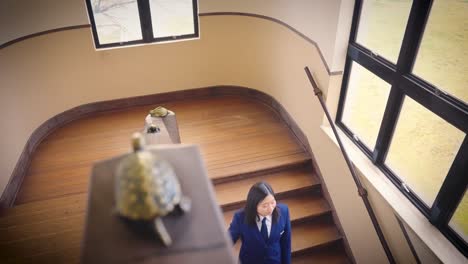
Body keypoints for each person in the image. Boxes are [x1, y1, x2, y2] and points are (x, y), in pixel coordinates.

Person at [228, 182, 291, 264]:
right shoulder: (240, 217)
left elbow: (286, 242)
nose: (270, 209)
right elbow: (228, 241)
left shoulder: (283, 211)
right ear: (253, 205)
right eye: (264, 206)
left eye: (272, 202)